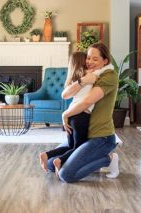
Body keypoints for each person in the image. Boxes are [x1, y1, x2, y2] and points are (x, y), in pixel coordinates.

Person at [46, 42, 120, 182]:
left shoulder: (109, 76)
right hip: (85, 134)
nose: (90, 62)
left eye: (95, 59)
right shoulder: (89, 75)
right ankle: (86, 158)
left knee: (66, 175)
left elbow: (86, 102)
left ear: (105, 61)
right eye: (88, 58)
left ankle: (108, 159)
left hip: (101, 137)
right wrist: (82, 81)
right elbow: (65, 95)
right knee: (50, 164)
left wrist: (65, 114)